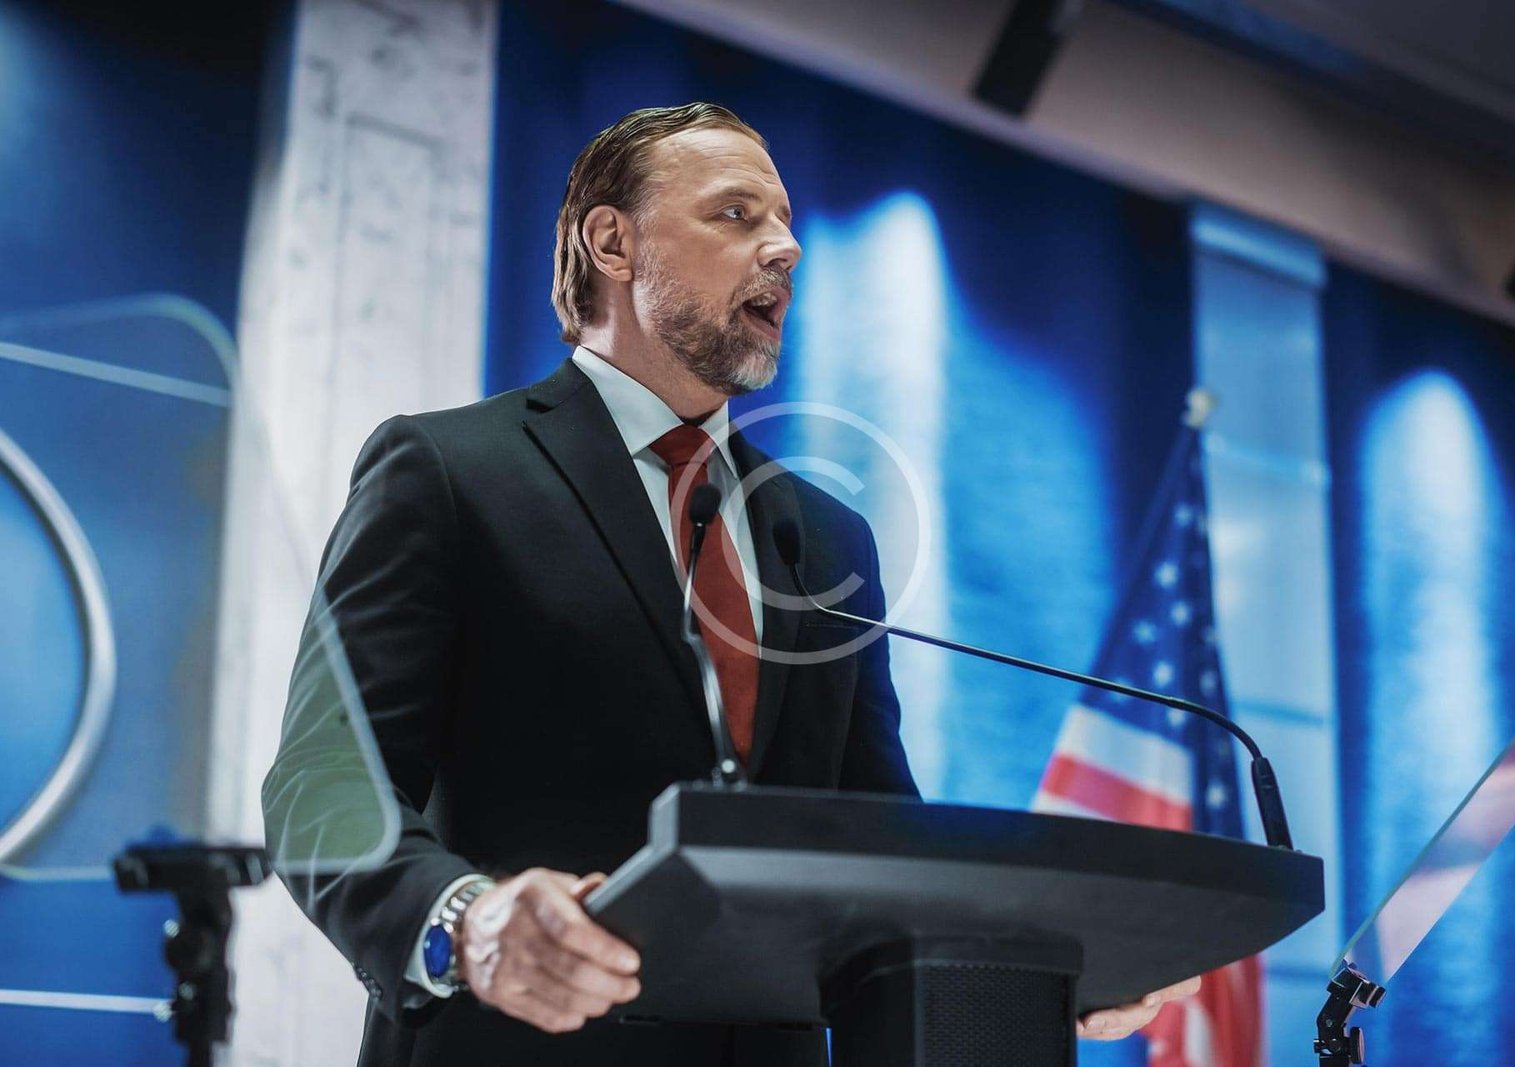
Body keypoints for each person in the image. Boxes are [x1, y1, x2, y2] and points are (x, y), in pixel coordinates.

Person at [264, 102, 1196, 1067]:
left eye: (786, 224)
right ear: (613, 242)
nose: (786, 249)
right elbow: (324, 786)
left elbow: (882, 853)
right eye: (737, 214)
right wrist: (465, 921)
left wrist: (1051, 964)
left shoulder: (827, 537)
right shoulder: (446, 470)